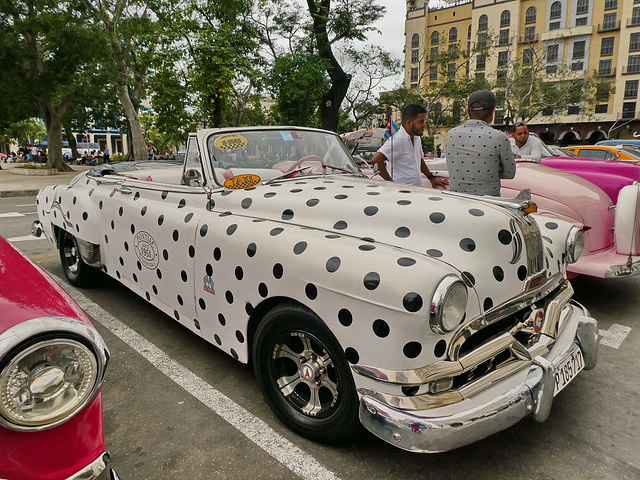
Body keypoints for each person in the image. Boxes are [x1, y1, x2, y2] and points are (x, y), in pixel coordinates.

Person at [445, 89, 516, 196]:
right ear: (493, 111)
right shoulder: (499, 137)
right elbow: (510, 173)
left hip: (456, 201)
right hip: (488, 203)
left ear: (467, 111)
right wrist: (492, 168)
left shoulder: (451, 134)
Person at [370, 104, 449, 188]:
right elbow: (376, 160)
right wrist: (390, 184)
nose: (424, 125)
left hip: (415, 190)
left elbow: (418, 159)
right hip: (400, 192)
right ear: (409, 123)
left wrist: (431, 177)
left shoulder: (417, 138)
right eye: (420, 122)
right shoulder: (397, 140)